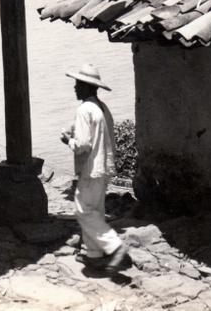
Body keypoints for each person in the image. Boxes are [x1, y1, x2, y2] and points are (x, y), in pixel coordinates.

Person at [61, 63, 130, 273]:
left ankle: (114, 246)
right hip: (103, 167)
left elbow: (83, 145)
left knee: (83, 211)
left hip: (91, 169)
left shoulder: (84, 110)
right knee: (96, 211)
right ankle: (93, 254)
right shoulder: (102, 108)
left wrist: (68, 140)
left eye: (77, 84)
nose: (74, 88)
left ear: (85, 86)